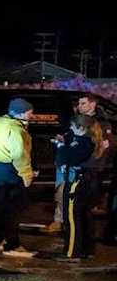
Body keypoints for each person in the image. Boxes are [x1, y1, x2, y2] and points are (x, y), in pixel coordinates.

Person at [44, 93, 113, 234]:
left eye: (83, 104)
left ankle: (74, 229)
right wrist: (64, 141)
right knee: (61, 192)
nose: (79, 107)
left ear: (92, 104)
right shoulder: (74, 119)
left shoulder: (100, 123)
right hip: (68, 162)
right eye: (78, 104)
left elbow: (98, 146)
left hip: (82, 166)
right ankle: (60, 221)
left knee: (77, 200)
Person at [0, 97, 36, 257]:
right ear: (21, 114)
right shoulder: (16, 130)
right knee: (12, 210)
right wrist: (27, 176)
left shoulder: (0, 125)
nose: (31, 116)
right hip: (11, 172)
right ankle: (13, 244)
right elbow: (20, 155)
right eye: (29, 113)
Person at [53, 114, 104, 261]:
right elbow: (70, 140)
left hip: (77, 182)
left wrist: (61, 146)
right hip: (86, 182)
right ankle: (87, 249)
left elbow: (66, 156)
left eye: (73, 126)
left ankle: (72, 252)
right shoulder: (87, 141)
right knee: (84, 216)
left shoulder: (84, 144)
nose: (70, 128)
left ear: (81, 128)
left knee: (72, 218)